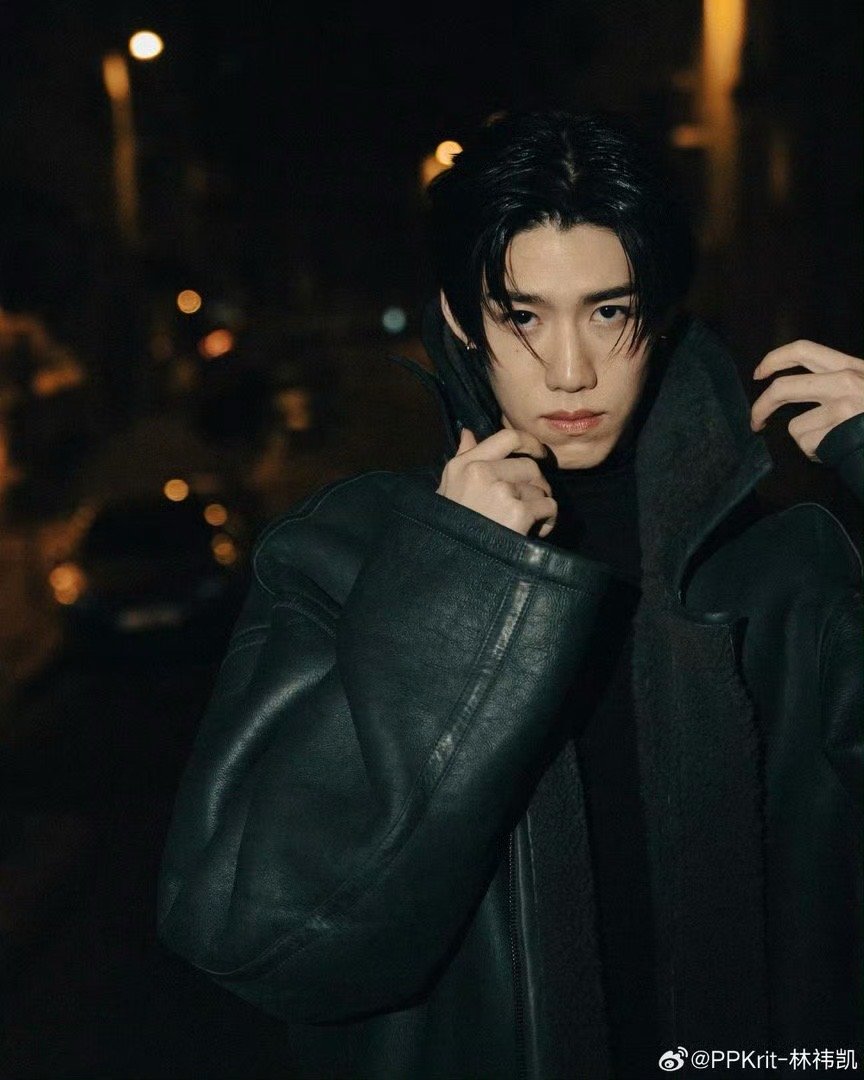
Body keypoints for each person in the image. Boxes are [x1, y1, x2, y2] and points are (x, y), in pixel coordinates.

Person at [157, 109, 864, 1079]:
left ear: (660, 312)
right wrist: (460, 581)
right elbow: (263, 939)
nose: (570, 372)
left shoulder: (781, 568)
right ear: (461, 320)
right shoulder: (347, 554)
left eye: (609, 312)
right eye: (522, 316)